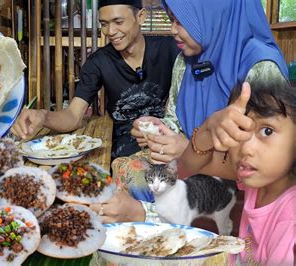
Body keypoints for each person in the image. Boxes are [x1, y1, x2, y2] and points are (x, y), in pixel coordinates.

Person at [91, 0, 289, 224]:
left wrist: (188, 149)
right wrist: (159, 129)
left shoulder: (261, 68)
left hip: (233, 184)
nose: (172, 30)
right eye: (172, 19)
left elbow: (263, 163)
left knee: (134, 204)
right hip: (189, 164)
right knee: (125, 170)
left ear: (214, 12)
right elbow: (174, 119)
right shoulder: (186, 60)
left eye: (181, 21)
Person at [11, 0, 179, 159]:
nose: (110, 31)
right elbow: (73, 115)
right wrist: (43, 116)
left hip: (167, 138)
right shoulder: (98, 62)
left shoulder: (170, 49)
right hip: (124, 148)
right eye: (104, 24)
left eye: (118, 22)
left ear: (141, 17)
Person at [180, 80, 295, 265]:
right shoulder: (261, 177)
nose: (245, 148)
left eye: (267, 131)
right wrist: (209, 129)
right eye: (239, 130)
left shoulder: (290, 220)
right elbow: (189, 166)